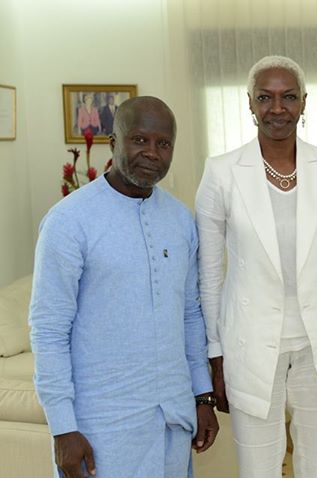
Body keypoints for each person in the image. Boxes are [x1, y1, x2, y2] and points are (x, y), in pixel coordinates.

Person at [30, 96, 219, 478]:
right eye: (139, 140)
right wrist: (63, 427)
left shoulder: (181, 221)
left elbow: (190, 314)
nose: (152, 152)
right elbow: (49, 331)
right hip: (103, 428)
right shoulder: (69, 222)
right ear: (113, 143)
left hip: (173, 417)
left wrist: (203, 396)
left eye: (163, 144)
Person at [195, 55, 317, 478]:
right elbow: (210, 275)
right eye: (265, 97)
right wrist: (215, 355)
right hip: (249, 343)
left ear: (304, 103)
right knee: (258, 468)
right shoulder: (221, 173)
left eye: (288, 97)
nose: (277, 108)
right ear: (250, 103)